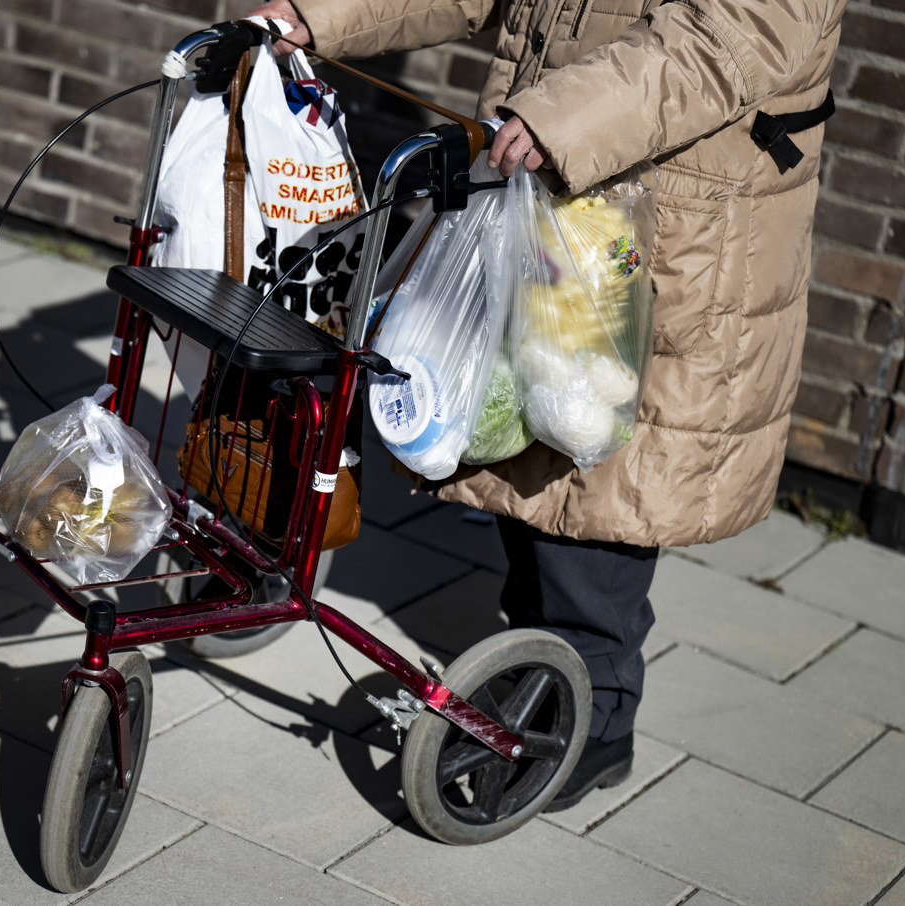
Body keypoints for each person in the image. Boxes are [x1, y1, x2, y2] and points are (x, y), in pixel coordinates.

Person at [246, 0, 846, 810]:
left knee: (606, 473)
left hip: (674, 200)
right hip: (556, 171)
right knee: (525, 424)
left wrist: (564, 116)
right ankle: (535, 650)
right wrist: (323, 16)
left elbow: (732, 32)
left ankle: (593, 715)